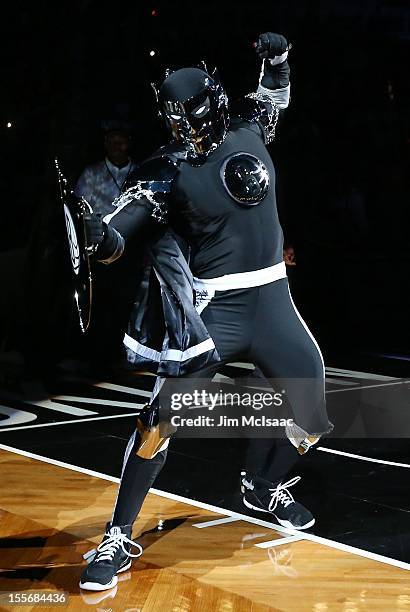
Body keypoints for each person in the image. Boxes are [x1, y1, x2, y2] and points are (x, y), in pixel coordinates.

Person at [79, 32, 333, 591]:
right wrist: (100, 240)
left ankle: (262, 487)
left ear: (214, 104)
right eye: (173, 119)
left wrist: (279, 58)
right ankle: (118, 535)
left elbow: (275, 93)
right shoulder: (164, 169)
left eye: (189, 116)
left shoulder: (249, 126)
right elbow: (124, 231)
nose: (182, 128)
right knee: (157, 422)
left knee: (311, 417)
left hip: (274, 301)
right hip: (217, 311)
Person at [74, 125, 137, 215]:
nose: (117, 146)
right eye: (112, 142)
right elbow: (79, 203)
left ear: (129, 143)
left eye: (121, 142)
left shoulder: (139, 171)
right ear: (106, 144)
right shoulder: (91, 172)